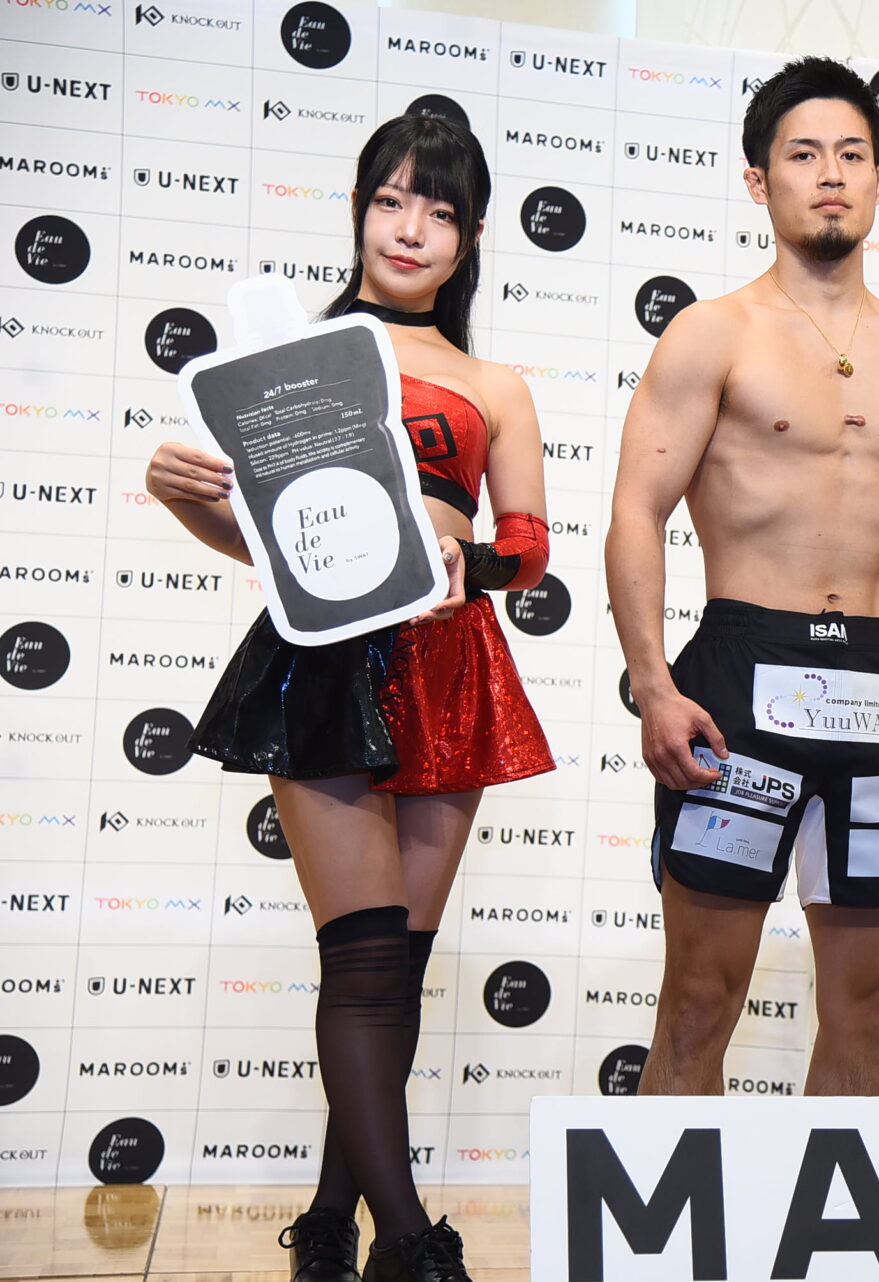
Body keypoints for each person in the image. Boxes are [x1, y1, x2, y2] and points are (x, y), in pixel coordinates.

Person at [146, 114, 551, 1281]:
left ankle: (332, 1222)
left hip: (451, 664)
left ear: (471, 237)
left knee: (394, 972)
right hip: (323, 664)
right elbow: (273, 543)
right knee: (365, 962)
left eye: (440, 209)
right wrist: (184, 497)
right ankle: (412, 1244)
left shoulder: (495, 384)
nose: (410, 228)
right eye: (390, 200)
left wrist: (470, 551)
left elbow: (531, 548)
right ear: (361, 210)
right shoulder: (291, 356)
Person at [605, 56, 879, 1097]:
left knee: (870, 1011)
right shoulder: (713, 332)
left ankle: (832, 1211)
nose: (831, 174)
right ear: (759, 180)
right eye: (804, 154)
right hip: (739, 677)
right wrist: (654, 686)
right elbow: (636, 512)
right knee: (700, 1000)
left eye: (852, 155)